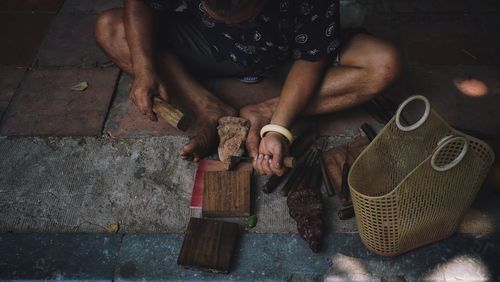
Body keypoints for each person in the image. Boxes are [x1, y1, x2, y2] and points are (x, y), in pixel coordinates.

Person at [95, 0, 401, 176]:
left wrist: (278, 128)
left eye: (244, 15)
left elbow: (311, 59)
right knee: (110, 29)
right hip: (212, 46)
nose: (235, 22)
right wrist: (145, 68)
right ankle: (209, 109)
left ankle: (263, 111)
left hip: (291, 51)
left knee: (384, 64)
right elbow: (139, 3)